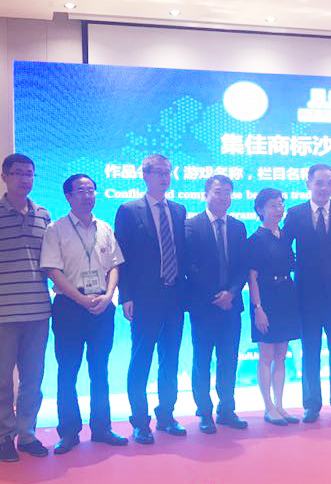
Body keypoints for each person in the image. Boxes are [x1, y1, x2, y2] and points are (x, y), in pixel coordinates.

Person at [0, 153, 51, 462]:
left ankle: (27, 433)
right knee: (2, 378)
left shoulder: (43, 215)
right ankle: (5, 436)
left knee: (33, 377)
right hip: (3, 311)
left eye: (29, 173)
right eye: (18, 173)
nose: (24, 179)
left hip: (38, 310)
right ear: (4, 176)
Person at [40, 174, 129, 454]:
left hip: (102, 306)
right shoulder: (55, 229)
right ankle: (69, 432)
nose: (87, 195)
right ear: (68, 196)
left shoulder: (105, 228)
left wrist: (109, 295)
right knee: (67, 370)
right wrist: (79, 299)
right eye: (80, 191)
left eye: (91, 190)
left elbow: (114, 266)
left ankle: (102, 428)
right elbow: (52, 270)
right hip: (69, 306)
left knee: (100, 369)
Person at [114, 154, 187, 444]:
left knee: (170, 359)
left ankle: (166, 415)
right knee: (141, 359)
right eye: (158, 172)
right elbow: (121, 256)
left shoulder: (179, 210)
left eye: (168, 172)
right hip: (144, 298)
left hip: (174, 297)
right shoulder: (129, 210)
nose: (164, 177)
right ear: (144, 175)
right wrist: (126, 295)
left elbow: (182, 253)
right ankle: (140, 421)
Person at [283, 164, 331, 423]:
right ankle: (311, 404)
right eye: (319, 183)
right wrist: (296, 270)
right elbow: (284, 248)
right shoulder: (295, 213)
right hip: (306, 296)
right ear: (308, 184)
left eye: (329, 183)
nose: (325, 188)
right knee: (310, 349)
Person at [185, 175, 249, 434]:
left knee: (229, 359)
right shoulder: (191, 225)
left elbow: (243, 266)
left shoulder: (238, 227)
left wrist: (231, 293)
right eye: (218, 192)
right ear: (206, 194)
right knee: (202, 359)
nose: (224, 197)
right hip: (204, 306)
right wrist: (215, 296)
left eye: (228, 193)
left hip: (231, 305)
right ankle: (204, 411)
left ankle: (226, 409)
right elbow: (190, 266)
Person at [247, 188, 302, 426]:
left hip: (286, 297)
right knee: (266, 356)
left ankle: (280, 405)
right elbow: (252, 278)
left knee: (281, 356)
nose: (279, 209)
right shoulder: (255, 240)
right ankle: (268, 407)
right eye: (273, 205)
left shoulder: (285, 236)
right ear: (260, 209)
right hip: (266, 299)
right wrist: (258, 308)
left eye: (281, 204)